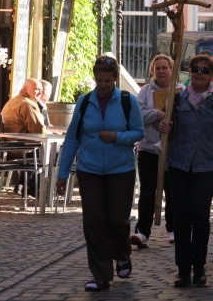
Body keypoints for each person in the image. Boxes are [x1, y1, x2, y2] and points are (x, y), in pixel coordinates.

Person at [56, 55, 144, 292]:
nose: (103, 85)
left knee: (117, 220)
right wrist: (62, 174)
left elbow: (138, 132)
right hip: (90, 170)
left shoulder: (128, 101)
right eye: (99, 80)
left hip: (121, 170)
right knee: (93, 222)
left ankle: (122, 255)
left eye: (108, 80)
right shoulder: (85, 102)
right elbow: (73, 138)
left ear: (115, 79)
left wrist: (117, 137)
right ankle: (101, 274)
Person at [158, 54, 213, 288]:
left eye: (204, 70)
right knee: (181, 217)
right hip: (179, 164)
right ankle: (183, 269)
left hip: (207, 165)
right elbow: (164, 131)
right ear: (189, 72)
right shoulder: (176, 99)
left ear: (212, 75)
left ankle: (199, 266)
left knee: (199, 214)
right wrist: (163, 126)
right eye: (195, 69)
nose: (199, 73)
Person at [130, 54, 183, 248]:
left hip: (172, 150)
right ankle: (142, 231)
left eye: (164, 68)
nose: (161, 71)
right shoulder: (144, 91)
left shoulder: (181, 91)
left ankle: (174, 228)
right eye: (157, 68)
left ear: (171, 70)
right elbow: (137, 114)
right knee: (147, 191)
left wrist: (171, 119)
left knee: (173, 191)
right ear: (153, 71)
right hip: (149, 148)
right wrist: (158, 114)